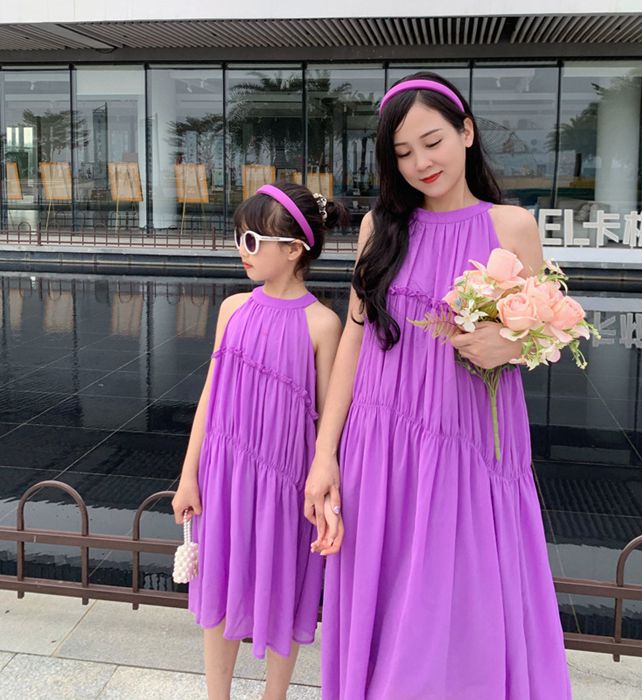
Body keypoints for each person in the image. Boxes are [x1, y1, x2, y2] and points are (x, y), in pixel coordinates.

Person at [305, 72, 572, 699]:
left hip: (467, 443)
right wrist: (325, 454)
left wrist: (509, 344)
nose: (421, 163)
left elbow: (548, 333)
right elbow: (353, 343)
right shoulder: (380, 228)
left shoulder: (511, 226)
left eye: (432, 142)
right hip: (381, 442)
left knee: (464, 609)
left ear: (466, 133)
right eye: (403, 152)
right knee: (389, 603)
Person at [172, 181, 345, 700]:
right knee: (218, 588)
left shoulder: (323, 324)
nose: (241, 250)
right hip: (223, 476)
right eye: (239, 237)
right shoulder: (232, 309)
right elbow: (210, 397)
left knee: (282, 587)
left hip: (285, 486)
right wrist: (188, 476)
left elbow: (328, 422)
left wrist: (324, 489)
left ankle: (275, 695)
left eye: (251, 240)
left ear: (293, 249)